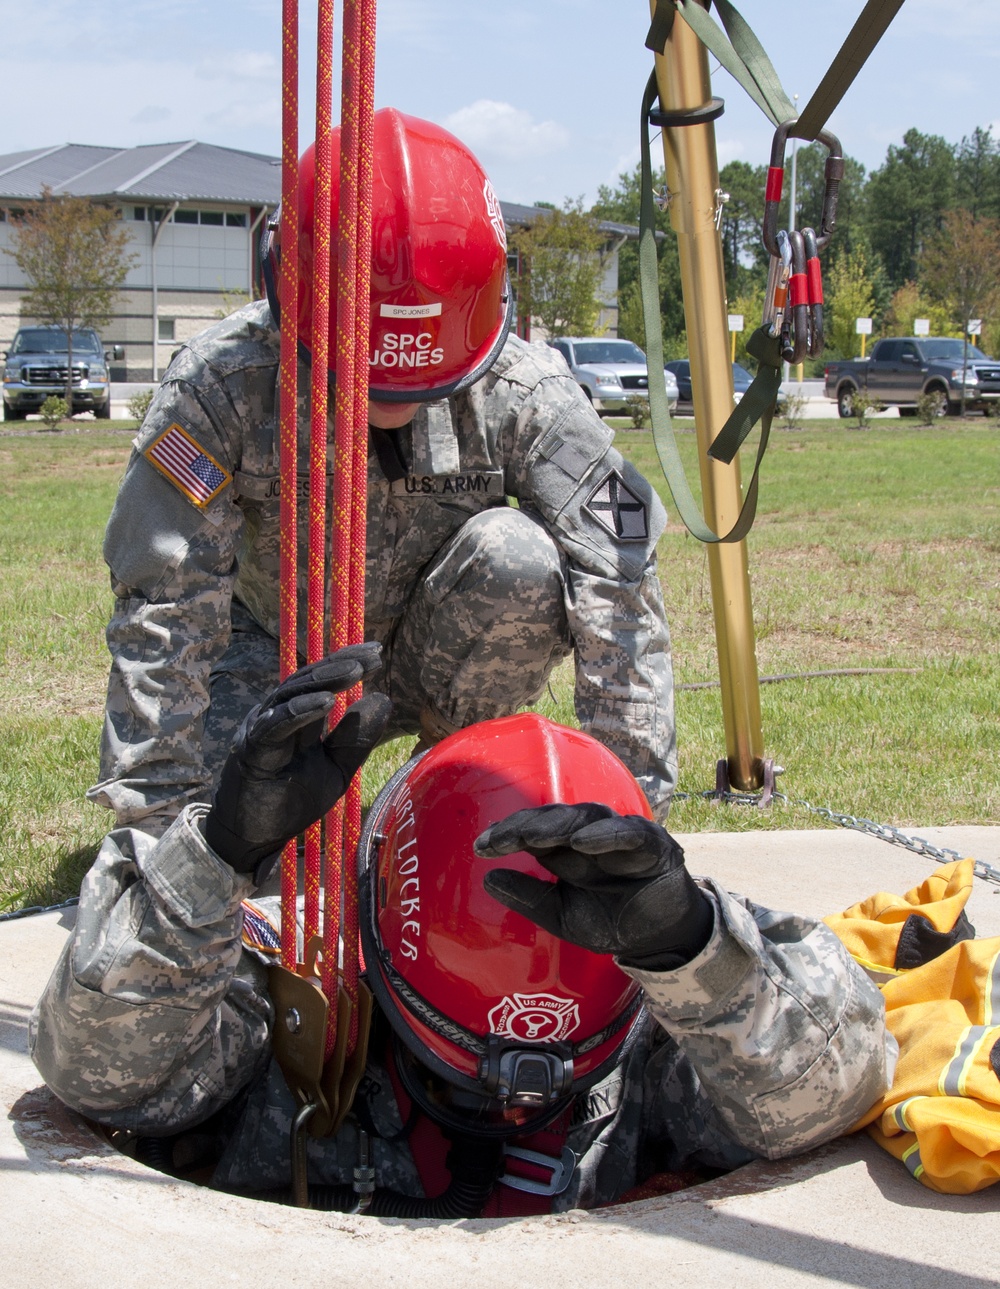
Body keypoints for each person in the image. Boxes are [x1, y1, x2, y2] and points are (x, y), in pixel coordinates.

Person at [30, 653, 893, 1216]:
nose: (511, 1106)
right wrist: (216, 855)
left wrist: (694, 949)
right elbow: (103, 1075)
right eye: (459, 1074)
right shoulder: (304, 1006)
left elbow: (833, 1088)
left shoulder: (669, 999)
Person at [91, 106, 675, 847]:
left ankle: (448, 797)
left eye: (417, 388)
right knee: (233, 847)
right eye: (365, 387)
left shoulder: (531, 394)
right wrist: (160, 838)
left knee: (519, 559)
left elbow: (623, 583)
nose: (388, 406)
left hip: (437, 649)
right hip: (278, 658)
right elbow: (163, 611)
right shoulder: (221, 387)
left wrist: (633, 820)